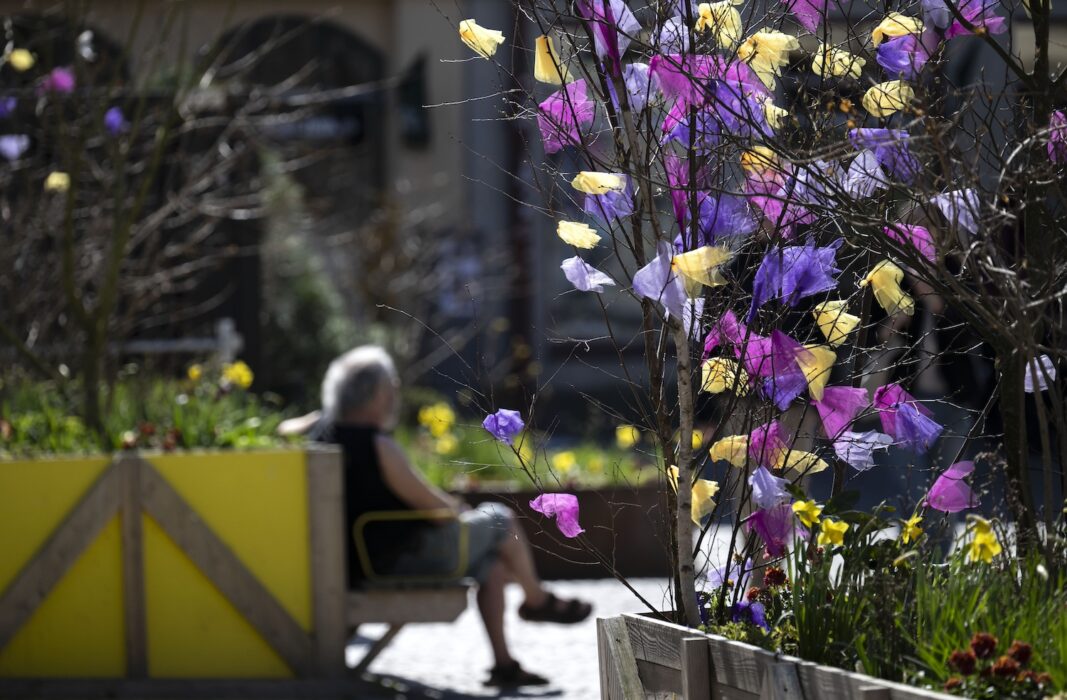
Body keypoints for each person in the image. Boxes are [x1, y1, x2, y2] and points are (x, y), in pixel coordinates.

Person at [281, 346, 591, 687]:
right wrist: (459, 508)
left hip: (359, 559)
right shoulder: (377, 447)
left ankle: (504, 664)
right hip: (399, 558)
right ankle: (536, 600)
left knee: (494, 564)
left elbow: (287, 427)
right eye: (393, 388)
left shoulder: (324, 434)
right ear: (379, 394)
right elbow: (438, 511)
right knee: (500, 518)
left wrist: (316, 415)